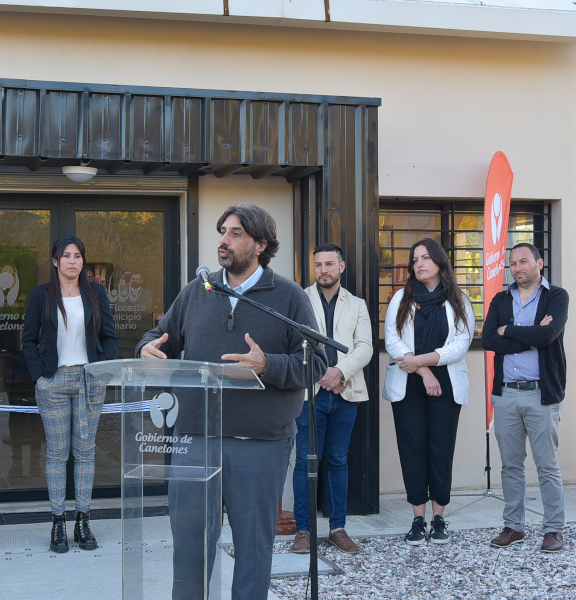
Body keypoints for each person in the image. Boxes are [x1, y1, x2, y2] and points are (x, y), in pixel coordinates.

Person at [137, 203, 326, 600]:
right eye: (223, 231)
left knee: (254, 551)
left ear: (260, 244)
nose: (223, 240)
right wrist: (145, 349)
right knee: (189, 548)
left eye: (235, 233)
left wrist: (268, 363)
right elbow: (160, 335)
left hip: (260, 445)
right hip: (193, 440)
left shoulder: (288, 296)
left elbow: (318, 362)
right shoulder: (197, 291)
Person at [23, 235, 117, 553]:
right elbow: (27, 339)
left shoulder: (96, 294)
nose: (72, 261)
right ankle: (58, 522)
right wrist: (39, 376)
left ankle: (83, 520)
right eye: (66, 255)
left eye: (78, 255)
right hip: (54, 381)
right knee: (57, 454)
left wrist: (103, 371)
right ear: (55, 261)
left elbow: (109, 336)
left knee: (86, 453)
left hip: (90, 380)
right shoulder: (41, 295)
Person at [383, 238, 473, 546]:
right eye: (415, 259)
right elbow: (393, 341)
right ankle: (418, 519)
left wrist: (422, 362)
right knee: (412, 450)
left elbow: (460, 346)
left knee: (440, 449)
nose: (419, 264)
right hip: (408, 384)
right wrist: (422, 371)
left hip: (446, 384)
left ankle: (439, 519)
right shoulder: (401, 298)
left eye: (425, 258)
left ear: (439, 261)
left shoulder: (458, 299)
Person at [482, 243, 569, 553]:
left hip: (541, 394)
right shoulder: (501, 299)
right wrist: (529, 335)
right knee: (510, 466)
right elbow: (489, 338)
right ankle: (514, 526)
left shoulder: (556, 297)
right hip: (505, 396)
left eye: (523, 261)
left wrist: (511, 331)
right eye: (513, 263)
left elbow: (548, 336)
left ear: (539, 263)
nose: (517, 268)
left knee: (547, 465)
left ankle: (553, 530)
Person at [291, 244, 373, 555]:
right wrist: (322, 375)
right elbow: (294, 343)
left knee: (338, 461)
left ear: (341, 266)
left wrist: (340, 372)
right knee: (304, 462)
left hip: (346, 393)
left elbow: (364, 347)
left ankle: (338, 528)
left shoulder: (358, 304)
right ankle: (303, 531)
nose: (323, 270)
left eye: (329, 264)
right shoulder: (299, 299)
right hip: (309, 394)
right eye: (318, 265)